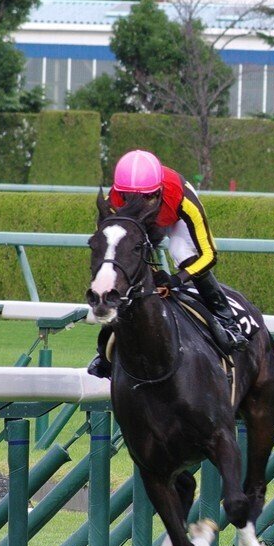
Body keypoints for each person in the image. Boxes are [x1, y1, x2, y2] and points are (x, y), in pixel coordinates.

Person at [89, 149, 240, 379]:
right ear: (120, 193)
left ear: (159, 190)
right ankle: (104, 349)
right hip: (138, 227)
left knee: (181, 251)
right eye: (131, 198)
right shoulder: (113, 202)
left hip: (175, 216)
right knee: (121, 274)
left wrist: (176, 279)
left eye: (148, 197)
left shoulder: (183, 199)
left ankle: (227, 319)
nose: (141, 204)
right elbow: (109, 251)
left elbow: (209, 255)